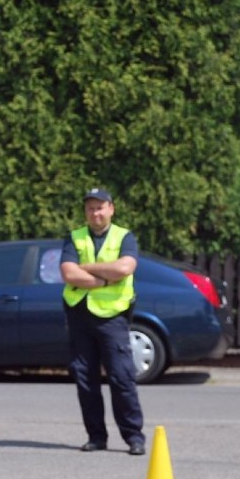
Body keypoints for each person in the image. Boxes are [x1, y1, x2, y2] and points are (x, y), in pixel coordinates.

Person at [60, 187, 146, 455]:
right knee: (85, 379)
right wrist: (105, 277)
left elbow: (125, 268)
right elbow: (68, 273)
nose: (95, 213)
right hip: (80, 314)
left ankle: (134, 437)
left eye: (100, 207)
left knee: (121, 378)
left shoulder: (124, 236)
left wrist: (86, 269)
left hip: (113, 317)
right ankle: (96, 437)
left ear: (111, 208)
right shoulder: (75, 237)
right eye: (90, 208)